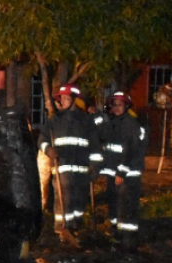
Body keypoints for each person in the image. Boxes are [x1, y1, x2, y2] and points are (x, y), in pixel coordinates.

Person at [37, 84, 101, 248]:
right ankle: (61, 231)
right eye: (62, 99)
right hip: (62, 167)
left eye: (65, 98)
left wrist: (95, 166)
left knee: (78, 201)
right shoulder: (55, 120)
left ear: (74, 100)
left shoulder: (87, 121)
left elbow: (95, 146)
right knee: (63, 199)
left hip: (81, 168)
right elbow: (41, 139)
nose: (63, 101)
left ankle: (74, 228)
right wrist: (49, 150)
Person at [100, 91, 147, 251]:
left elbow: (130, 149)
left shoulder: (130, 123)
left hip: (128, 174)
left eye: (120, 104)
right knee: (115, 204)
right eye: (114, 104)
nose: (116, 107)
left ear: (126, 106)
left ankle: (128, 242)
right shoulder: (115, 122)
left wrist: (121, 172)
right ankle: (118, 235)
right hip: (116, 172)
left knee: (127, 207)